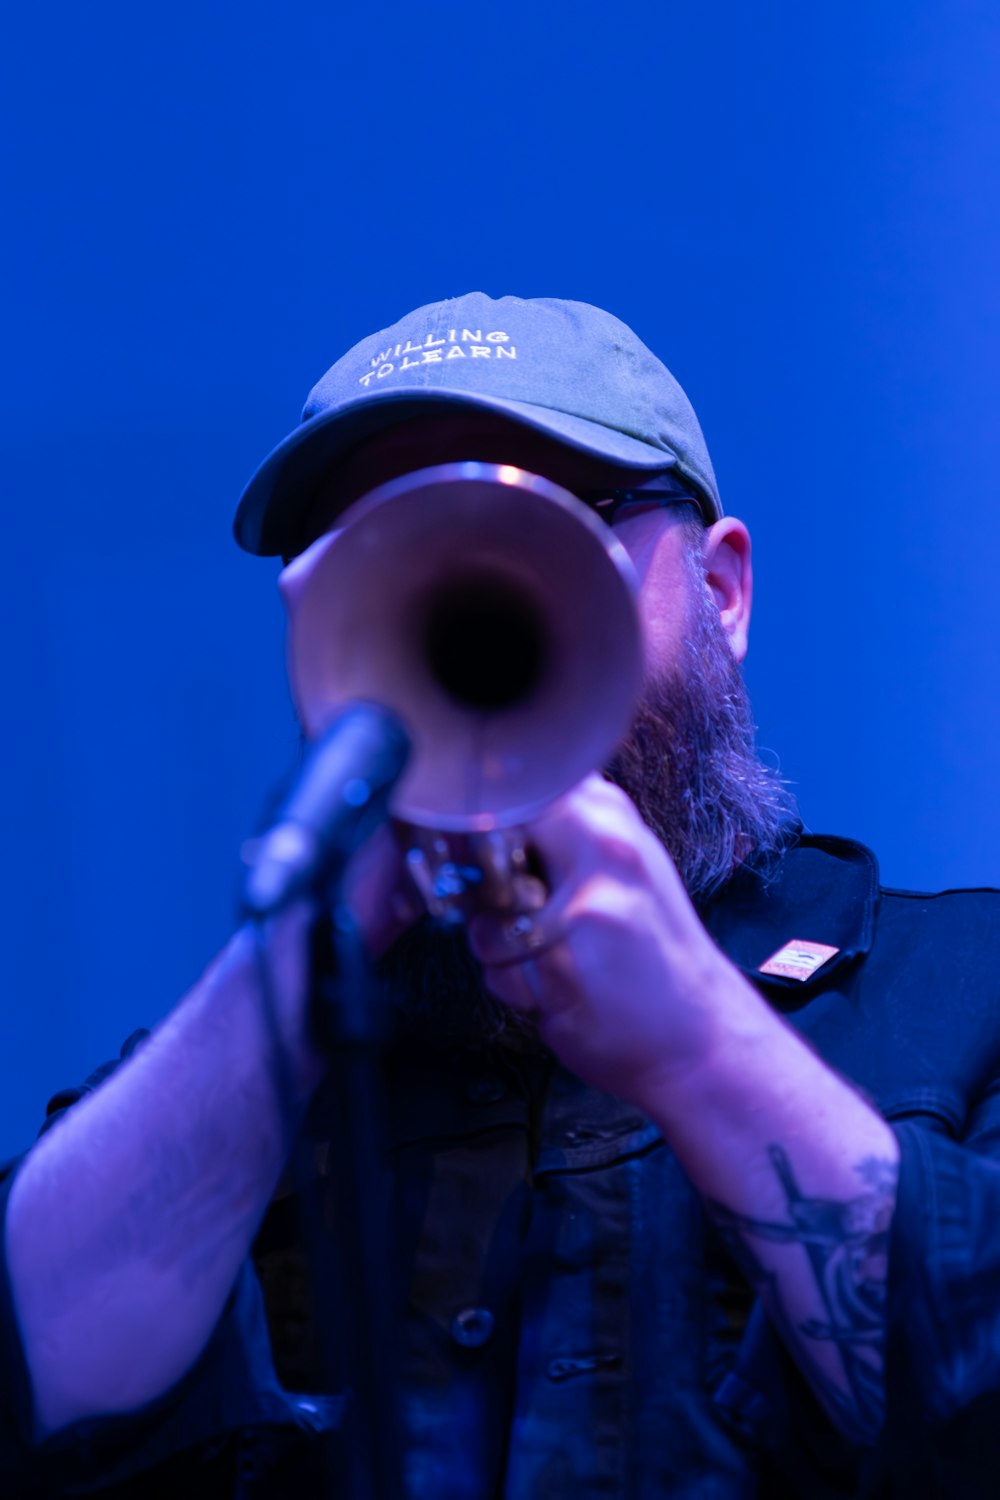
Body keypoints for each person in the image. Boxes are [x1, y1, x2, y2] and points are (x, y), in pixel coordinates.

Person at [2, 291, 1000, 1498]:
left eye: (552, 543)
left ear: (722, 595)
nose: (479, 616)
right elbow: (34, 1388)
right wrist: (303, 958)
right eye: (396, 556)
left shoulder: (964, 993)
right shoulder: (262, 1065)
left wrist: (697, 1044)